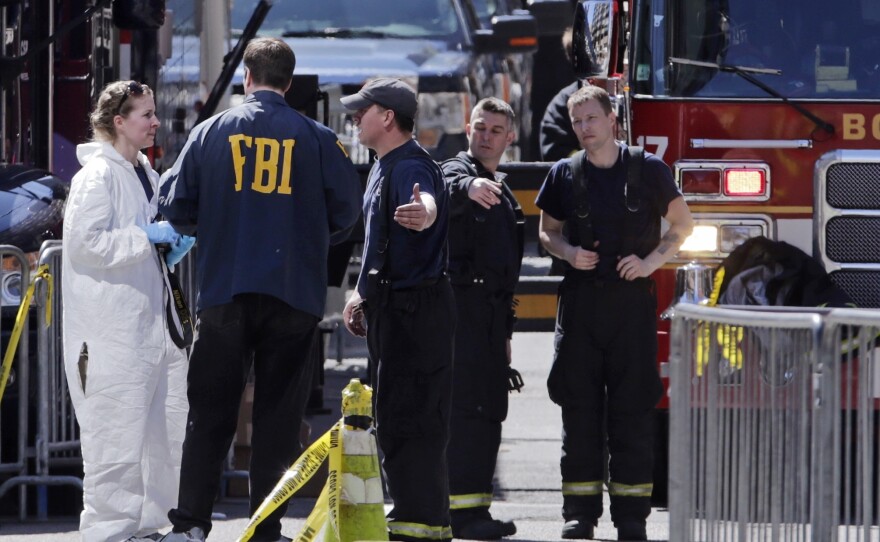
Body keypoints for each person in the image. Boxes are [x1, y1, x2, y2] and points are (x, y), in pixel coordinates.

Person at [158, 38, 362, 542]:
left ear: (246, 77)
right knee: (277, 419)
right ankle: (266, 530)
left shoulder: (209, 133)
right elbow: (348, 213)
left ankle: (191, 525)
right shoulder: (317, 138)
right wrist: (306, 233)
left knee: (210, 415)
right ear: (289, 84)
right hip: (294, 294)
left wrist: (219, 222)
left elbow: (176, 208)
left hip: (226, 291)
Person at [536, 85, 693, 541]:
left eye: (592, 119)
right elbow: (547, 232)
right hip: (582, 305)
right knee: (578, 411)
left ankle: (631, 518)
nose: (585, 129)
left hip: (631, 307)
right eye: (577, 121)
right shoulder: (564, 174)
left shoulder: (648, 170)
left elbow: (684, 225)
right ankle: (579, 514)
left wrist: (650, 263)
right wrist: (568, 252)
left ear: (612, 120)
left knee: (632, 412)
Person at [61, 80, 191, 542]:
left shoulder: (145, 174)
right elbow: (85, 244)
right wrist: (146, 239)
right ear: (118, 121)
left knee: (163, 436)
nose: (156, 122)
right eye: (145, 114)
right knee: (114, 439)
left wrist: (167, 250)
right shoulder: (96, 177)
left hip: (149, 331)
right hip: (110, 333)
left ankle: (151, 526)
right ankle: (110, 532)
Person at [340, 78, 455, 542]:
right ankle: (416, 516)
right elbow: (377, 245)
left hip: (416, 311)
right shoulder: (383, 165)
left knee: (414, 419)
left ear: (387, 117)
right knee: (398, 415)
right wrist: (360, 293)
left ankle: (420, 523)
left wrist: (425, 212)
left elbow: (423, 198)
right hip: (397, 308)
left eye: (360, 111)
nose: (354, 118)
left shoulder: (409, 166)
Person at [440, 97, 523, 540]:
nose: (486, 136)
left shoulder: (503, 188)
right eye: (480, 127)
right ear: (467, 128)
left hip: (490, 321)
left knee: (489, 412)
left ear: (510, 138)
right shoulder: (458, 172)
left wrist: (506, 333)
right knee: (465, 413)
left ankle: (477, 509)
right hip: (462, 317)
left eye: (495, 130)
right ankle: (461, 514)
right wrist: (467, 188)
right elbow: (446, 184)